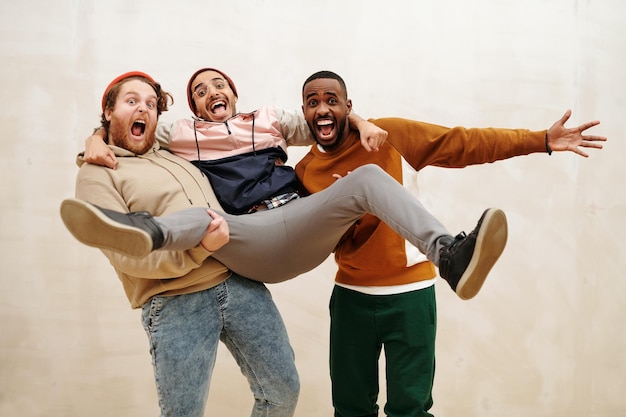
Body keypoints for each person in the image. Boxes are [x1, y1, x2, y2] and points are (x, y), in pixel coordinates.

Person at [295, 70, 606, 417]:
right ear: (304, 113)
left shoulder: (390, 136)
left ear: (348, 107)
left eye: (331, 101)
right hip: (351, 299)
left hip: (411, 297)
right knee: (350, 409)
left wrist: (541, 140)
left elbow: (465, 143)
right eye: (313, 102)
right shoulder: (306, 171)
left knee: (410, 409)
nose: (322, 108)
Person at [64, 68, 510, 297]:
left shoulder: (270, 120)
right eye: (199, 91)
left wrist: (361, 120)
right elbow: (132, 126)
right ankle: (145, 232)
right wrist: (93, 139)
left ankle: (449, 256)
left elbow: (325, 114)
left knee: (368, 177)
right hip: (248, 238)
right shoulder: (179, 133)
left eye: (218, 84)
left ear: (234, 94)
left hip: (301, 221)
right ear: (194, 108)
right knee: (204, 217)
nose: (210, 92)